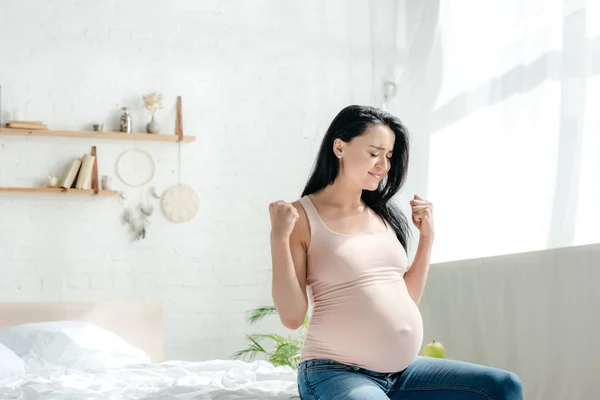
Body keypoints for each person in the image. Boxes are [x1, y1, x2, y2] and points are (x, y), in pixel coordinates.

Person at [268, 105, 524, 400]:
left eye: (388, 156)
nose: (384, 165)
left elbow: (406, 299)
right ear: (339, 147)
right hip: (334, 371)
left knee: (503, 386)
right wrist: (278, 237)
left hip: (402, 373)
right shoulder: (300, 217)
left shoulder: (383, 215)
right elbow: (291, 317)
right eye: (374, 152)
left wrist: (427, 236)